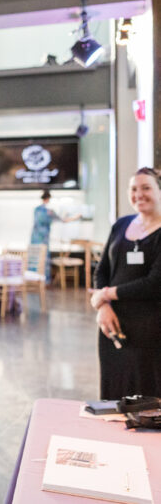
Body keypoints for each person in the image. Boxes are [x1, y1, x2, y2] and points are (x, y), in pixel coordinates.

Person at [91, 167, 161, 399]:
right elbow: (102, 271)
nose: (138, 194)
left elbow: (154, 283)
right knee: (113, 393)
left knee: (145, 398)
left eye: (146, 188)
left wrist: (106, 294)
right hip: (112, 326)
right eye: (133, 189)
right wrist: (103, 307)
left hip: (149, 330)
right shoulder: (121, 225)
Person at [30, 189, 79, 281]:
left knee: (35, 258)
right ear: (48, 198)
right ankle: (43, 280)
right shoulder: (49, 211)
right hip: (43, 239)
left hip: (36, 238)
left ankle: (34, 279)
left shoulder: (38, 210)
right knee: (43, 258)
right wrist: (76, 217)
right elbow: (63, 220)